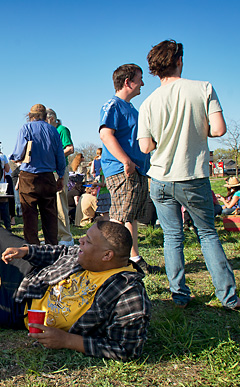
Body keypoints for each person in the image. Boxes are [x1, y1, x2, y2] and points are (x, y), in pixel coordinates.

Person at [137, 39, 240, 309]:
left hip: (161, 179)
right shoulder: (203, 88)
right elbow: (219, 129)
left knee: (172, 237)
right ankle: (228, 297)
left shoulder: (148, 103)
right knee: (207, 234)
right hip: (192, 176)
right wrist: (197, 129)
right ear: (179, 61)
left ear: (154, 69)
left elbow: (146, 146)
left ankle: (179, 295)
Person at [0, 221, 151, 360]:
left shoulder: (127, 292)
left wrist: (67, 340)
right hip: (32, 278)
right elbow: (62, 251)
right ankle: (2, 281)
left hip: (19, 310)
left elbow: (127, 348)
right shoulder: (84, 254)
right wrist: (26, 251)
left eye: (88, 241)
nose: (81, 240)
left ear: (107, 255)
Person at [99, 64, 157, 274]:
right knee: (119, 217)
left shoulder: (130, 108)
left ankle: (133, 258)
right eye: (140, 78)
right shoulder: (112, 105)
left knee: (129, 216)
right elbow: (106, 134)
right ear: (127, 82)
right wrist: (126, 161)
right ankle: (112, 263)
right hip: (122, 170)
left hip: (136, 170)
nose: (142, 83)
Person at [10, 104, 66, 245]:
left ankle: (33, 249)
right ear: (45, 116)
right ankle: (52, 247)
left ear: (30, 116)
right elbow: (60, 156)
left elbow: (18, 153)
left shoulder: (26, 128)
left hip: (29, 176)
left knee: (29, 215)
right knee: (50, 215)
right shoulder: (53, 131)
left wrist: (14, 157)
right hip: (48, 177)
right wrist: (60, 177)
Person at [46, 109, 75, 246]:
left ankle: (66, 237)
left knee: (60, 202)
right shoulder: (49, 132)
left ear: (51, 118)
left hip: (59, 169)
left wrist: (54, 157)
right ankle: (55, 234)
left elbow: (70, 148)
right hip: (50, 169)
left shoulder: (62, 129)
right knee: (52, 203)